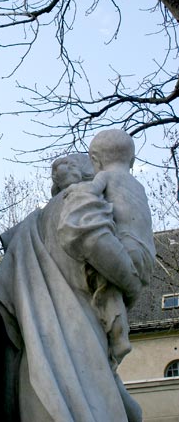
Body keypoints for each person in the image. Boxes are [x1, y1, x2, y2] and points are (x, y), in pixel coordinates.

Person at [0, 152, 145, 422]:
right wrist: (131, 284)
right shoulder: (81, 200)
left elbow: (5, 300)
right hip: (77, 340)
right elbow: (93, 239)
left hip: (37, 351)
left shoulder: (29, 226)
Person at [65, 130, 155, 367]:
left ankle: (118, 337)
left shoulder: (105, 177)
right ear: (132, 161)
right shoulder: (138, 186)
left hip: (124, 245)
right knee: (125, 294)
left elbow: (92, 192)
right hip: (146, 252)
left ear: (95, 160)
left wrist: (75, 191)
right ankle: (119, 332)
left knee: (105, 285)